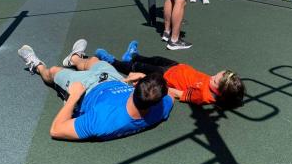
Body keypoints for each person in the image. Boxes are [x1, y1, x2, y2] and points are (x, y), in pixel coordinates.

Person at [17, 39, 174, 141]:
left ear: (136, 87)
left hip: (86, 89)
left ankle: (36, 65)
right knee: (93, 60)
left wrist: (74, 96)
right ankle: (75, 58)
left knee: (54, 71)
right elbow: (170, 96)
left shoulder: (103, 121)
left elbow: (56, 130)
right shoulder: (161, 107)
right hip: (115, 80)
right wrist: (126, 81)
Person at [95, 41, 245, 109]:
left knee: (139, 68)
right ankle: (133, 56)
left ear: (218, 91)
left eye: (214, 79)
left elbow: (180, 94)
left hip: (166, 76)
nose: (212, 76)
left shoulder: (202, 96)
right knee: (154, 58)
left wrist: (164, 86)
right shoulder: (217, 86)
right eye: (216, 75)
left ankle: (112, 61)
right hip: (176, 67)